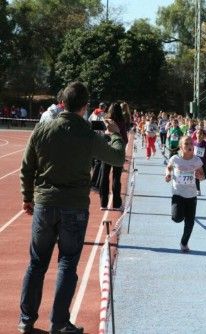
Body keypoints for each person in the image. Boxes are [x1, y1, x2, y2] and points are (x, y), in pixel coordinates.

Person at [18, 82, 125, 334]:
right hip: (74, 207)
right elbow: (118, 158)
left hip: (45, 204)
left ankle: (26, 320)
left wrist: (27, 197)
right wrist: (117, 133)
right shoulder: (88, 134)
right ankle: (59, 323)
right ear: (85, 106)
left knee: (36, 263)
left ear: (62, 103)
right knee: (67, 264)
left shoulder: (42, 129)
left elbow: (26, 167)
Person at [165, 136, 204, 252]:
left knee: (190, 222)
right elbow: (169, 168)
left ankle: (184, 243)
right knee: (177, 218)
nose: (189, 146)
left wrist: (200, 176)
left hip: (192, 195)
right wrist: (167, 174)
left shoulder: (197, 160)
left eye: (191, 143)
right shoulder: (175, 159)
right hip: (178, 193)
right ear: (181, 146)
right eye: (186, 144)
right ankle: (178, 214)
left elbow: (202, 175)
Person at [99, 103, 128, 210]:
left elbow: (98, 133)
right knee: (116, 177)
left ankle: (103, 203)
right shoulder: (121, 122)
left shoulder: (105, 120)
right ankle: (116, 203)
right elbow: (125, 139)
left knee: (104, 176)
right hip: (117, 150)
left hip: (106, 149)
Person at [193, 128, 206, 196]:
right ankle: (198, 190)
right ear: (196, 134)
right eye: (197, 133)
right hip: (195, 163)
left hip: (203, 163)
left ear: (203, 135)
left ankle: (197, 184)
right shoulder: (194, 143)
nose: (199, 135)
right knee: (196, 177)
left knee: (204, 177)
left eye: (200, 133)